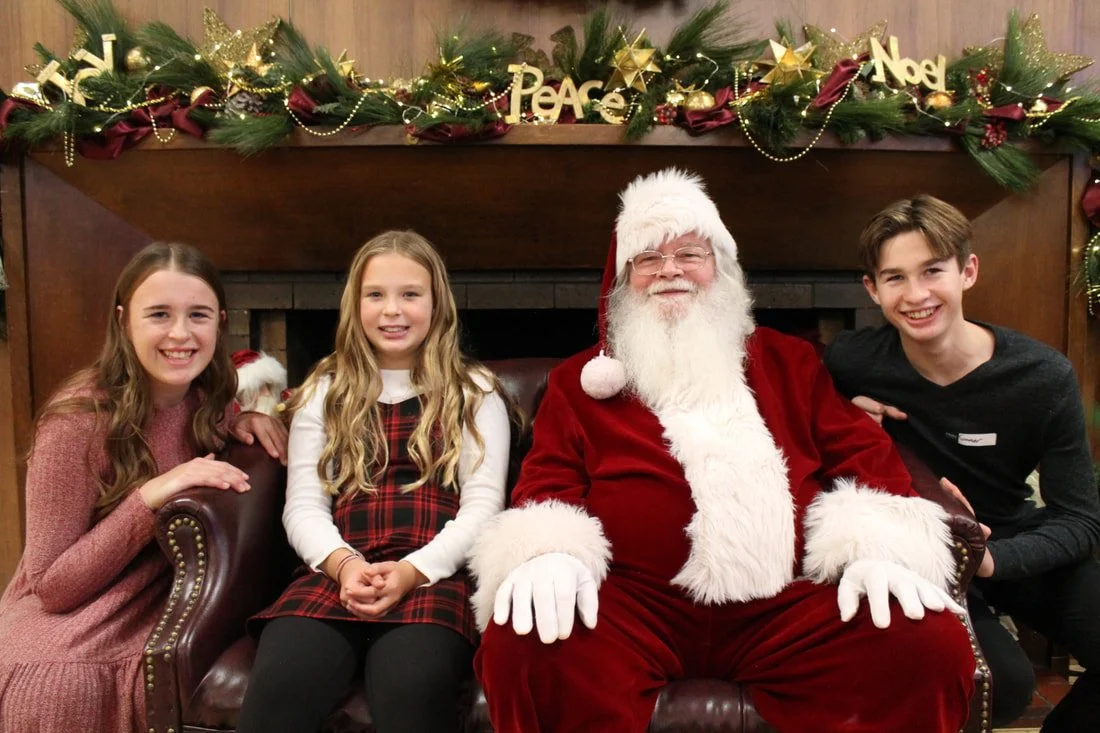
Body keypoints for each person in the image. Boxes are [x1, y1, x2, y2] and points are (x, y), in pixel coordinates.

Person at [469, 168, 976, 733]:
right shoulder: (578, 382)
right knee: (524, 641)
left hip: (787, 603)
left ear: (721, 268)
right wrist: (549, 553)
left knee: (928, 645)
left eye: (689, 253)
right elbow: (546, 480)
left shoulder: (791, 362)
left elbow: (864, 452)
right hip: (633, 605)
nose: (670, 272)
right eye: (647, 259)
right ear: (623, 279)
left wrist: (880, 548)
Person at [824, 194, 1100, 732]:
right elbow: (798, 426)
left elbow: (1081, 520)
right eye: (895, 278)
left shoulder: (1042, 376)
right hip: (921, 553)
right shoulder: (852, 361)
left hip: (1009, 540)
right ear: (872, 289)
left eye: (932, 271)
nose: (917, 295)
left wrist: (995, 558)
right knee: (1003, 682)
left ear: (967, 271)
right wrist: (842, 414)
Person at [0, 242, 288, 732]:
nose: (180, 333)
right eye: (158, 314)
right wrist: (151, 495)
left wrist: (250, 420)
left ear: (220, 321)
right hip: (75, 617)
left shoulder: (209, 402)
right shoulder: (77, 421)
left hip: (161, 602)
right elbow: (52, 587)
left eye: (197, 315)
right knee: (63, 687)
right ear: (123, 321)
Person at [238, 230, 511, 733]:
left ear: (437, 304)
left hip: (432, 576)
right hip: (336, 572)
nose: (393, 311)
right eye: (376, 295)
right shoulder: (326, 389)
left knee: (412, 684)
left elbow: (483, 509)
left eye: (410, 294)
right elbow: (302, 505)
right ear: (355, 304)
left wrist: (411, 571)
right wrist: (343, 566)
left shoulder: (475, 391)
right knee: (282, 681)